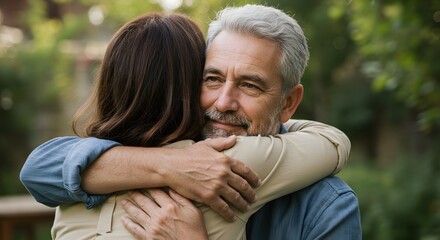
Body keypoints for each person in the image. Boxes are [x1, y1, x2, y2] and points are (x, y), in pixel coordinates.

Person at [19, 5, 359, 240]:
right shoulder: (135, 158)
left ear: (288, 103)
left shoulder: (325, 205)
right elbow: (37, 170)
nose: (223, 102)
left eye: (250, 85)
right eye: (212, 79)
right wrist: (170, 165)